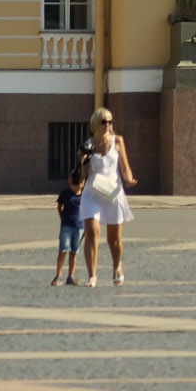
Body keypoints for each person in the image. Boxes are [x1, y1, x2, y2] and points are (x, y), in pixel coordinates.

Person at [78, 107, 135, 288]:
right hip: (92, 192)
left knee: (114, 239)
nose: (108, 125)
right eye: (104, 122)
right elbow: (82, 176)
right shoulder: (87, 145)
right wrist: (83, 161)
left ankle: (117, 266)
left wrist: (129, 179)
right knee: (92, 231)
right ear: (95, 123)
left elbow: (124, 166)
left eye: (110, 122)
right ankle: (92, 276)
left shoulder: (118, 141)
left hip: (112, 193)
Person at [51, 168, 83, 285]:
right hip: (66, 226)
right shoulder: (65, 193)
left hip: (80, 227)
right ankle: (58, 276)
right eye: (75, 184)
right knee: (63, 250)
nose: (77, 187)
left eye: (80, 184)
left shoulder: (84, 195)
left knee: (74, 252)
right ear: (70, 182)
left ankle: (71, 276)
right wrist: (63, 218)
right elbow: (60, 207)